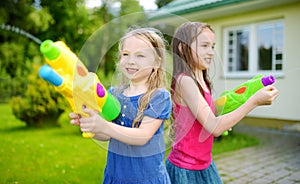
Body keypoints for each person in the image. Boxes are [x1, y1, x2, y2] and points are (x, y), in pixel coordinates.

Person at [166, 22, 279, 183]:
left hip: (204, 164)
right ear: (183, 49)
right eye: (204, 45)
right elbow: (214, 127)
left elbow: (209, 119)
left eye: (212, 46)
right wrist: (254, 101)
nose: (211, 52)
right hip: (186, 169)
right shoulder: (185, 81)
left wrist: (226, 119)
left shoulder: (202, 81)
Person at [69, 27, 172, 183]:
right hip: (116, 176)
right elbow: (105, 134)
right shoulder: (114, 94)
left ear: (157, 62)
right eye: (126, 54)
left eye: (140, 55)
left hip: (145, 179)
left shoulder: (159, 97)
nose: (131, 60)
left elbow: (142, 136)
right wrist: (91, 124)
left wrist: (104, 126)